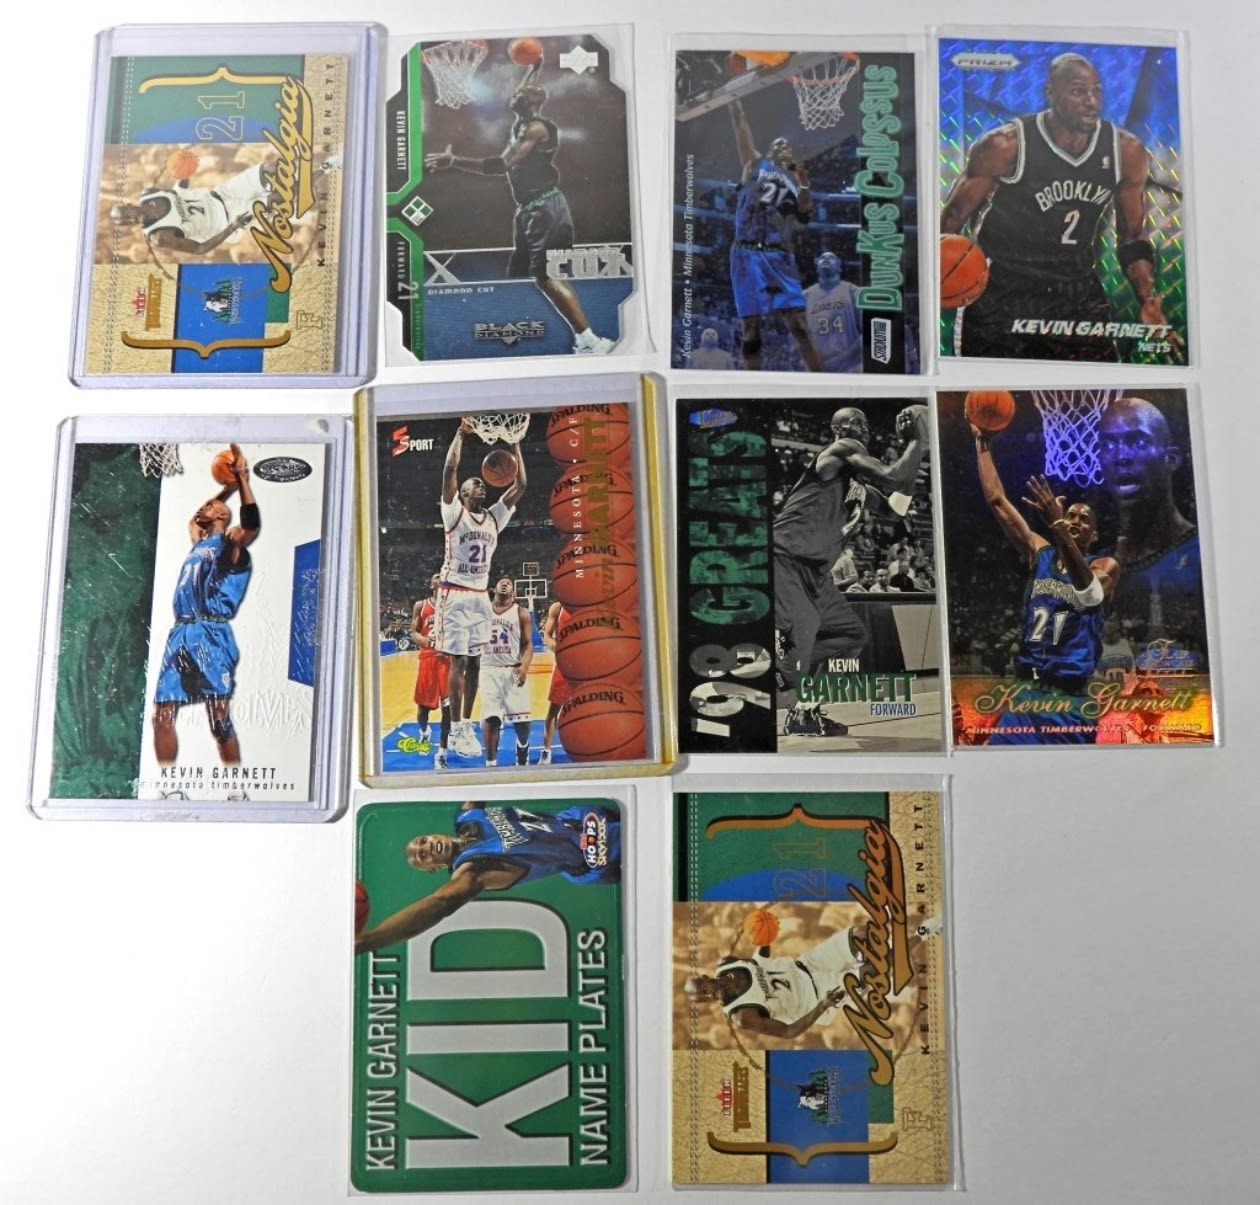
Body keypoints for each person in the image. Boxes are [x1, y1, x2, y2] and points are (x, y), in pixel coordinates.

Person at [940, 53, 1174, 361]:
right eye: (1078, 91)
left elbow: (1131, 237)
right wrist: (937, 278)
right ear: (1051, 93)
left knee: (1098, 384)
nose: (1091, 101)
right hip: (1005, 287)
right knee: (990, 383)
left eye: (1096, 91)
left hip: (1076, 291)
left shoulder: (1125, 151)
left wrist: (1147, 299)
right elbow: (952, 218)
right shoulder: (1005, 145)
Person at [423, 76, 614, 354]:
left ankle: (591, 341)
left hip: (545, 208)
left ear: (534, 100)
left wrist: (454, 161)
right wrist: (532, 69)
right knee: (534, 275)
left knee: (547, 275)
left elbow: (502, 164)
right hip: (529, 209)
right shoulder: (522, 124)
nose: (514, 94)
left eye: (521, 92)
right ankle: (578, 336)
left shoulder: (536, 128)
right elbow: (527, 88)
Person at [774, 407, 930, 737]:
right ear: (837, 429)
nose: (863, 427)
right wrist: (918, 441)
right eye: (854, 422)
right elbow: (892, 476)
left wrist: (917, 451)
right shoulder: (842, 449)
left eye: (865, 422)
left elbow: (894, 511)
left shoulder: (858, 488)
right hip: (784, 557)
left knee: (849, 636)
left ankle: (804, 712)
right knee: (805, 627)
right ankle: (783, 663)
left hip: (816, 574)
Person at [971, 422, 1120, 742]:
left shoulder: (1104, 566)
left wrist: (1058, 526)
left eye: (1084, 519)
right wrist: (982, 443)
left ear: (1094, 535)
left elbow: (1089, 595)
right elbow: (997, 501)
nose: (1075, 520)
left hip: (1070, 703)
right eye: (1071, 515)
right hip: (1025, 696)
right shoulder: (1041, 554)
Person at [355, 800, 620, 953]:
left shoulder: (468, 817)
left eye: (423, 841)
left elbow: (474, 774)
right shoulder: (472, 869)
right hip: (592, 855)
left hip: (579, 817)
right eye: (423, 856)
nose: (428, 847)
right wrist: (368, 941)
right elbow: (440, 903)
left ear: (435, 834)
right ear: (433, 868)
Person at [152, 445, 259, 765]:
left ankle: (235, 784)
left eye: (211, 506)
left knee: (218, 720)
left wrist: (242, 480)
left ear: (223, 516)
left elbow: (251, 524)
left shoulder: (230, 544)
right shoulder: (199, 542)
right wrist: (226, 488)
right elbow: (194, 518)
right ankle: (166, 783)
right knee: (161, 715)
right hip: (181, 632)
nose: (204, 506)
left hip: (211, 633)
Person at [434, 421, 526, 766]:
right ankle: (456, 726)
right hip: (455, 594)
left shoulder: (493, 518)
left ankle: (465, 726)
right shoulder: (453, 513)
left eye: (482, 483)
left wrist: (514, 444)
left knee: (475, 663)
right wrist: (460, 433)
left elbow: (521, 484)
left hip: (479, 596)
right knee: (458, 661)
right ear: (462, 494)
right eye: (474, 483)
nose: (480, 485)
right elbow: (450, 469)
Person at [683, 916, 940, 1039]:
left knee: (861, 933)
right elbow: (789, 1031)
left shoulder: (727, 964)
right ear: (704, 1003)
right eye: (703, 997)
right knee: (871, 969)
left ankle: (888, 958)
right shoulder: (741, 1015)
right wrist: (823, 1005)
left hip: (808, 964)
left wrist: (764, 935)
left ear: (705, 977)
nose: (707, 994)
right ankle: (924, 932)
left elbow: (760, 962)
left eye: (703, 987)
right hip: (816, 998)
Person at [1096, 395, 1204, 662]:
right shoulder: (1096, 564)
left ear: (1171, 459)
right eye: (1108, 445)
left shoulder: (1205, 552)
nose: (1121, 457)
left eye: (1138, 442)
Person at [727, 99, 823, 372]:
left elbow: (804, 214)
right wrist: (734, 100)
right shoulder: (755, 164)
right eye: (778, 144)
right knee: (751, 330)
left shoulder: (795, 184)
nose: (782, 147)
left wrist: (804, 183)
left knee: (800, 327)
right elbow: (741, 129)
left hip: (779, 256)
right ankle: (750, 385)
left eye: (787, 146)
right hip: (746, 251)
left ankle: (822, 380)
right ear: (769, 150)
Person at [110, 153, 341, 256]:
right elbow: (200, 249)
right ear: (129, 224)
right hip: (227, 221)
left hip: (222, 193)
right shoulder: (159, 236)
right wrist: (232, 227)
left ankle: (314, 163)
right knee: (276, 198)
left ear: (128, 204)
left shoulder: (149, 194)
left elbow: (178, 192)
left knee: (270, 168)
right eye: (127, 218)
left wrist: (185, 169)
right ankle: (326, 168)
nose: (131, 214)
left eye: (126, 209)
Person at [481, 577, 535, 766]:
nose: (505, 584)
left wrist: (524, 667)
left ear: (514, 593)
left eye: (509, 583)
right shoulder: (483, 610)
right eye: (501, 582)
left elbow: (528, 644)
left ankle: (523, 746)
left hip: (512, 669)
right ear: (494, 589)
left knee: (523, 723)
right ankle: (491, 764)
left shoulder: (521, 613)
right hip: (488, 670)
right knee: (491, 719)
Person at [409, 573, 450, 756]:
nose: (440, 578)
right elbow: (414, 632)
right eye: (436, 576)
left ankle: (443, 747)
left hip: (448, 659)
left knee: (449, 707)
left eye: (443, 576)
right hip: (428, 659)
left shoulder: (454, 605)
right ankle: (425, 732)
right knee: (422, 707)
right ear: (431, 584)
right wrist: (427, 641)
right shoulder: (421, 605)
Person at [803, 251, 862, 372]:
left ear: (839, 267)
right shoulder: (805, 296)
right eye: (822, 257)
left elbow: (868, 334)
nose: (826, 258)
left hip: (851, 367)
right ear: (816, 268)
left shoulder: (853, 292)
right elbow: (800, 337)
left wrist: (842, 357)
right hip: (819, 369)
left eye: (831, 257)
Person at [538, 600, 572, 764]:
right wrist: (559, 649)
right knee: (554, 708)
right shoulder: (558, 608)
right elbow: (547, 636)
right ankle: (546, 751)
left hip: (587, 663)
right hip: (564, 664)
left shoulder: (591, 608)